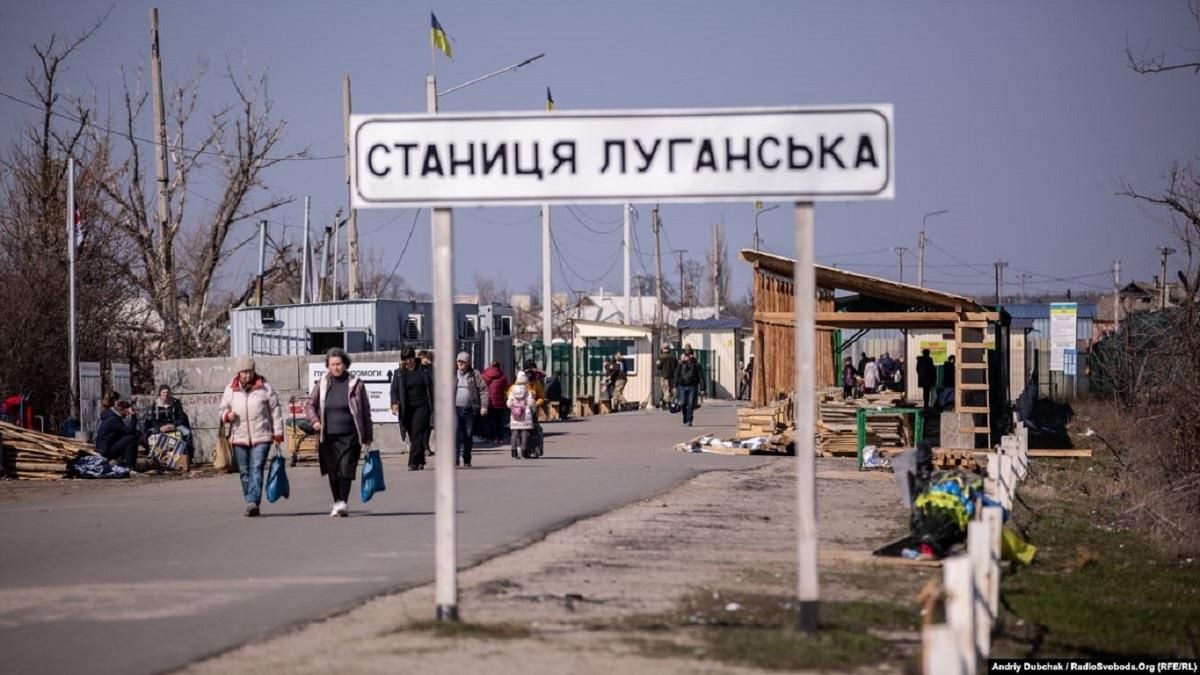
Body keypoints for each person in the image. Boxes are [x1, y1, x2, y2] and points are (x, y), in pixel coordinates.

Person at [306, 348, 374, 517]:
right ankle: (337, 501)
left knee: (346, 469)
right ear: (328, 366)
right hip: (328, 435)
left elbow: (365, 410)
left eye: (339, 364)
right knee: (333, 471)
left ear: (345, 364)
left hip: (350, 434)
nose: (336, 368)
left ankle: (343, 501)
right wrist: (315, 420)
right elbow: (309, 404)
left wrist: (368, 435)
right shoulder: (322, 383)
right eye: (332, 365)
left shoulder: (356, 384)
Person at [219, 356, 284, 517]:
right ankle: (250, 500)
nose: (247, 375)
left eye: (250, 371)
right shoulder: (230, 389)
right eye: (244, 372)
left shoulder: (264, 387)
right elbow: (221, 410)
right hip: (239, 437)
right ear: (238, 373)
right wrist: (227, 415)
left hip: (262, 435)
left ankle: (253, 501)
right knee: (244, 471)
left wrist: (278, 432)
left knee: (256, 468)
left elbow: (275, 410)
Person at [391, 347, 434, 471]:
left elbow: (433, 384)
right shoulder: (399, 373)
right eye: (405, 359)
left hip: (422, 406)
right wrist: (394, 403)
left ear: (414, 357)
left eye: (410, 358)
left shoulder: (424, 369)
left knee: (417, 432)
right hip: (407, 408)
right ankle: (421, 460)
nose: (408, 361)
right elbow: (394, 390)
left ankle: (413, 462)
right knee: (413, 436)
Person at [453, 352, 488, 468]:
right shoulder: (452, 374)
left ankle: (467, 459)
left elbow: (483, 390)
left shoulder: (475, 374)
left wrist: (483, 406)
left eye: (463, 362)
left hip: (469, 410)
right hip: (455, 409)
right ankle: (455, 459)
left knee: (468, 435)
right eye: (459, 361)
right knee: (456, 433)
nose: (460, 364)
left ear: (468, 363)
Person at [143, 384, 192, 458]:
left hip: (174, 425)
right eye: (163, 392)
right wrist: (159, 427)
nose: (165, 394)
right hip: (160, 426)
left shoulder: (176, 403)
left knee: (187, 432)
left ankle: (187, 456)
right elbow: (151, 420)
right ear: (160, 393)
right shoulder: (154, 404)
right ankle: (154, 455)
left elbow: (181, 417)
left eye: (167, 392)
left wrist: (174, 425)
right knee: (148, 434)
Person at [95, 391, 139, 472]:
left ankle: (122, 461)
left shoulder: (110, 415)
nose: (126, 416)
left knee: (129, 437)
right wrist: (133, 415)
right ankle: (130, 467)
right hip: (105, 450)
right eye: (126, 413)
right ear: (124, 411)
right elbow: (130, 431)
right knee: (131, 439)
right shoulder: (113, 420)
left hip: (103, 447)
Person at [507, 371, 536, 459]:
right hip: (525, 413)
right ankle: (523, 452)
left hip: (515, 413)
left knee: (514, 433)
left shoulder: (512, 389)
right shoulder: (528, 390)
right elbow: (531, 403)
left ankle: (514, 452)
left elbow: (509, 403)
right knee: (524, 433)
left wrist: (514, 404)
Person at [481, 360, 510, 442]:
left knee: (491, 421)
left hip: (489, 402)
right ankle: (500, 438)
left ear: (490, 366)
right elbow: (506, 388)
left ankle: (492, 437)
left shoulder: (484, 375)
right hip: (500, 402)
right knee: (500, 421)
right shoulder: (503, 376)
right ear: (499, 366)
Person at [674, 347, 701, 427]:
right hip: (682, 386)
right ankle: (685, 417)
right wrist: (674, 386)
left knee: (690, 403)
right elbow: (676, 374)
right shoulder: (680, 364)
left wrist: (703, 387)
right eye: (686, 355)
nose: (687, 356)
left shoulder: (695, 364)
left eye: (689, 355)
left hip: (692, 386)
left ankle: (689, 420)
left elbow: (700, 375)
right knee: (682, 403)